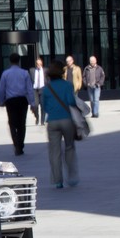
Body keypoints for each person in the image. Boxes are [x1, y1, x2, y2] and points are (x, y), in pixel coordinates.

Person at [40, 59, 79, 189]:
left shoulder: (46, 88)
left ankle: (58, 180)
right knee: (69, 147)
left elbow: (44, 107)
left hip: (52, 121)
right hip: (67, 119)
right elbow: (71, 102)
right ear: (62, 71)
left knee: (54, 151)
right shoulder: (67, 85)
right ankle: (72, 176)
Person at [0, 52, 35, 156]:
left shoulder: (5, 73)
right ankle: (20, 145)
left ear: (10, 61)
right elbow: (29, 89)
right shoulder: (24, 73)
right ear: (19, 61)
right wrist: (32, 102)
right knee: (22, 124)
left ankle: (16, 144)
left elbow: (1, 88)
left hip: (11, 101)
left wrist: (1, 100)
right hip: (22, 100)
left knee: (12, 123)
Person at [29, 56, 46, 125]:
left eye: (40, 64)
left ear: (42, 64)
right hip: (35, 89)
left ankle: (42, 121)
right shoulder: (32, 70)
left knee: (43, 105)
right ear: (36, 64)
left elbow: (48, 80)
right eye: (38, 64)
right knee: (35, 105)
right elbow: (29, 81)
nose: (39, 65)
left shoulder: (45, 70)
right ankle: (37, 117)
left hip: (43, 89)